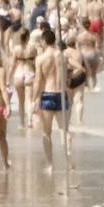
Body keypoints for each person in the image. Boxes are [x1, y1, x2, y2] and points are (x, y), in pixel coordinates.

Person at [32, 28, 71, 171]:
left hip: (48, 95)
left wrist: (34, 99)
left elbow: (38, 80)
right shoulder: (63, 56)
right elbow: (68, 75)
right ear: (54, 40)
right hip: (61, 93)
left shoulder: (40, 59)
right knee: (63, 130)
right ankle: (67, 159)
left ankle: (50, 164)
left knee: (46, 132)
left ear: (43, 41)